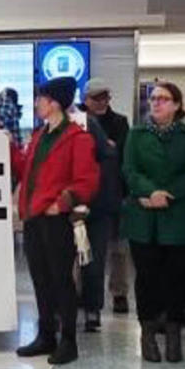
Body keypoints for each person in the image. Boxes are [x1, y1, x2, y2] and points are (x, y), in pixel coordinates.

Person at [13, 78, 100, 364]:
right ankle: (46, 334)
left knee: (61, 280)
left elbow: (87, 180)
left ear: (54, 103)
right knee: (40, 279)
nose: (37, 103)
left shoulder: (78, 138)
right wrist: (9, 148)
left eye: (41, 98)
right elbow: (26, 169)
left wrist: (62, 203)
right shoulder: (39, 136)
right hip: (34, 218)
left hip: (56, 220)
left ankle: (69, 341)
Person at [121, 81, 185, 363]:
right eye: (153, 98)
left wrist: (167, 196)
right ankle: (147, 335)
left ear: (177, 105)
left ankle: (173, 335)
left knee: (176, 280)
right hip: (143, 219)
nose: (156, 103)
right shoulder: (137, 134)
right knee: (147, 279)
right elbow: (130, 170)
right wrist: (148, 192)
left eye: (163, 98)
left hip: (179, 217)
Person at [81, 78, 132, 315]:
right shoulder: (77, 122)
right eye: (97, 98)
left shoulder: (120, 122)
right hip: (85, 191)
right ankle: (84, 292)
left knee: (118, 247)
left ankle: (119, 292)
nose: (102, 102)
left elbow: (120, 153)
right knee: (81, 246)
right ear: (86, 99)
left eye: (105, 97)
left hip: (114, 190)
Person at [67, 100, 116, 333]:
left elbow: (106, 177)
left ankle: (92, 308)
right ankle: (67, 307)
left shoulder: (99, 149)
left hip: (93, 211)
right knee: (66, 263)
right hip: (69, 208)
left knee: (92, 263)